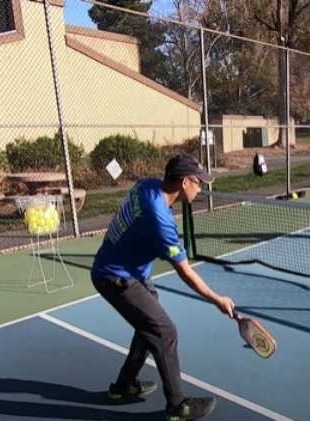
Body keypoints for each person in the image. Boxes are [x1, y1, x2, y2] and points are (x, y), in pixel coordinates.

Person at [90, 153, 236, 420]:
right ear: (183, 182)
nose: (201, 187)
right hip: (116, 277)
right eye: (198, 182)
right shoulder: (160, 220)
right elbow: (185, 272)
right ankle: (179, 406)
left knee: (150, 324)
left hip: (128, 269)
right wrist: (217, 299)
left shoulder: (146, 185)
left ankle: (124, 387)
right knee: (164, 330)